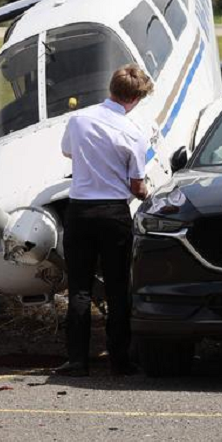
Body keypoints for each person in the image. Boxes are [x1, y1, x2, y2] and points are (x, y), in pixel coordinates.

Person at [55, 64, 154, 377]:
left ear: (111, 88)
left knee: (79, 289)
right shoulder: (134, 133)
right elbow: (137, 187)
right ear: (135, 99)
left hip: (80, 211)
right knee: (117, 287)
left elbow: (68, 152)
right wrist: (149, 193)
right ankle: (120, 359)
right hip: (113, 213)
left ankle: (77, 360)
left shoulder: (79, 119)